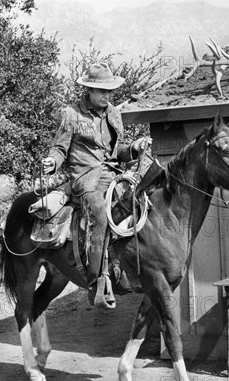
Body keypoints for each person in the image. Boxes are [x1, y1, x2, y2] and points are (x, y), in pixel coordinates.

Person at [42, 63, 151, 307]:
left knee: (140, 204)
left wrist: (134, 148)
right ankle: (96, 282)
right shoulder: (71, 114)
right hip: (85, 178)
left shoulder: (113, 113)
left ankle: (129, 266)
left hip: (113, 175)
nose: (107, 96)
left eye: (109, 91)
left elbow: (117, 151)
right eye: (102, 91)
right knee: (99, 212)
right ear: (89, 91)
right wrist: (53, 162)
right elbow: (60, 148)